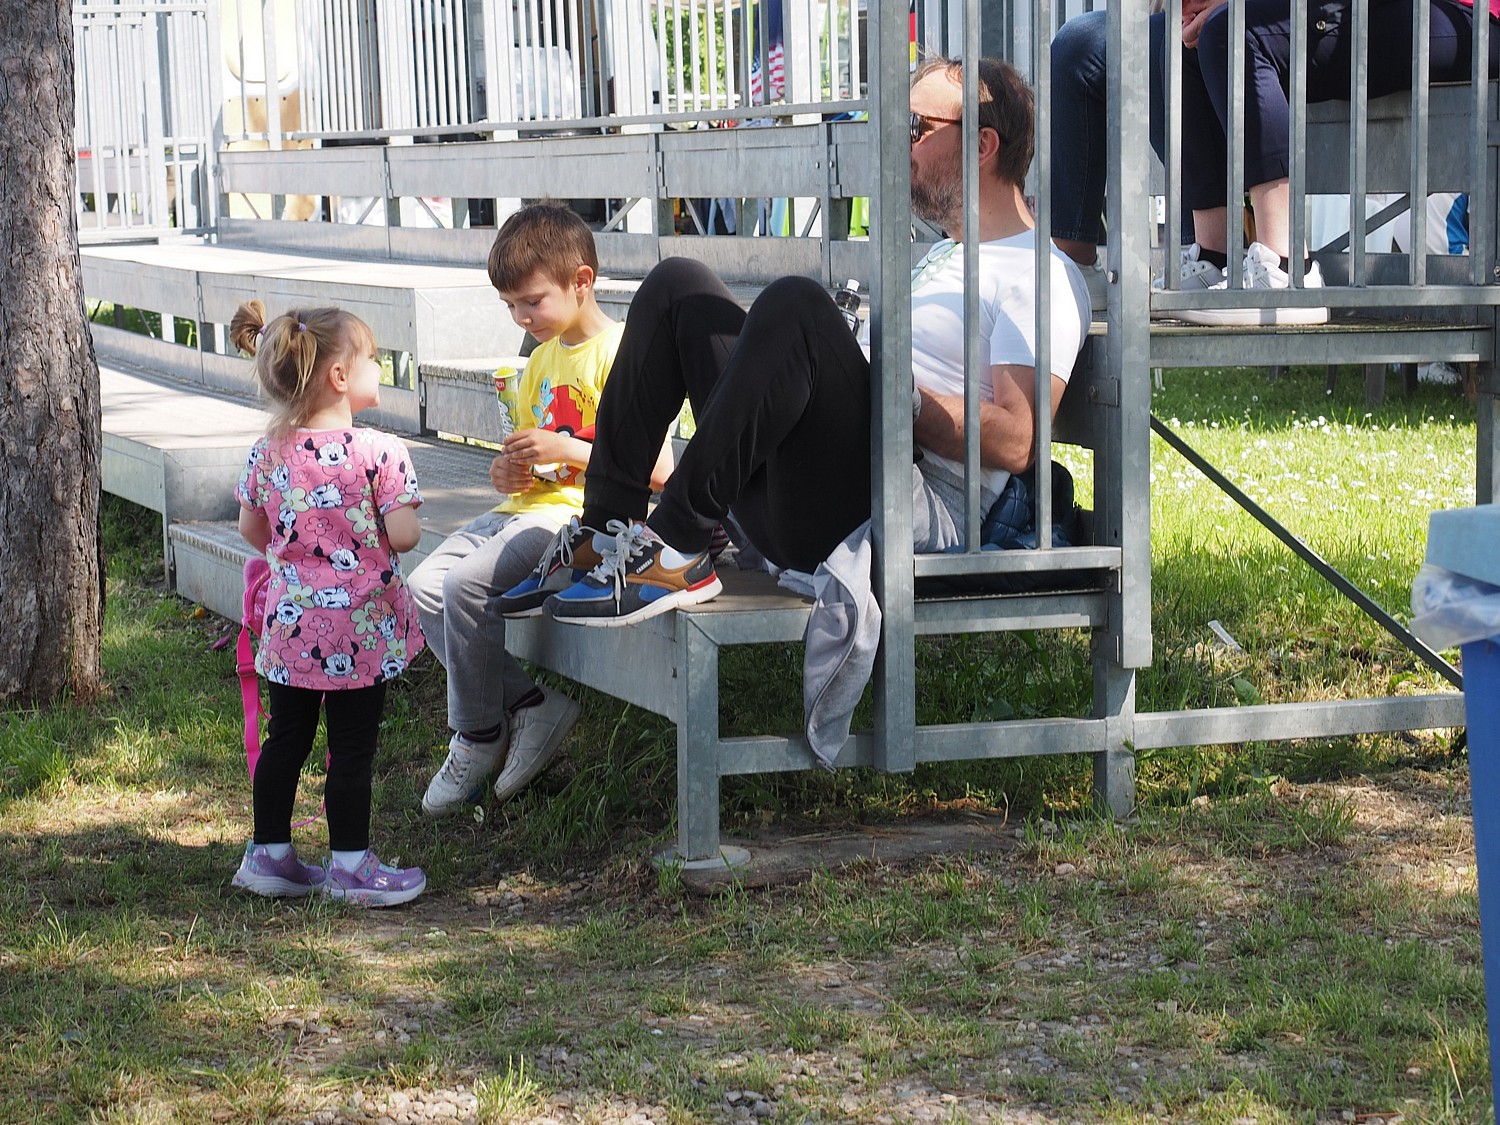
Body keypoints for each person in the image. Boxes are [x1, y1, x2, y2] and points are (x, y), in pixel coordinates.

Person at [503, 56, 1090, 627]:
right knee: (677, 286)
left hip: (899, 509)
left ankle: (677, 544)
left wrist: (899, 396)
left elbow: (1018, 441)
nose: (896, 146)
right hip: (808, 488)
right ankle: (603, 534)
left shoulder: (1039, 274)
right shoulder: (944, 255)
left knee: (798, 307)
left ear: (982, 145)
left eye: (915, 128)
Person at [409, 203, 672, 817]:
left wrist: (571, 452)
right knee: (423, 586)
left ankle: (478, 735)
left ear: (582, 282)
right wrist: (509, 468)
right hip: (519, 509)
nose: (522, 318)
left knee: (468, 587)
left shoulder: (624, 356)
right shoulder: (540, 361)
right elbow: (529, 455)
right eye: (511, 308)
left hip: (580, 521)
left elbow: (660, 471)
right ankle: (529, 705)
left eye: (532, 302)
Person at [229, 301, 427, 907]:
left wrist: (300, 560)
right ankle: (349, 865)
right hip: (359, 631)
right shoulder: (380, 451)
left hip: (290, 629)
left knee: (288, 735)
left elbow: (250, 527)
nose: (378, 368)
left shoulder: (268, 451)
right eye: (371, 359)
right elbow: (403, 536)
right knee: (352, 745)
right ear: (340, 376)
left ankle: (269, 854)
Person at [1164, 0, 1500, 325]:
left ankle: (1287, 271)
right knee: (1180, 41)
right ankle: (1216, 260)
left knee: (1231, 32)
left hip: (1467, 17)